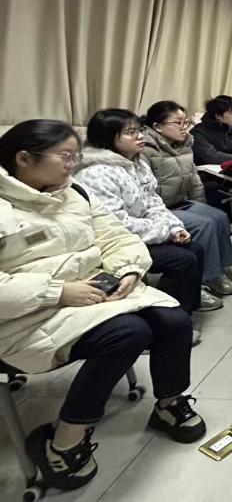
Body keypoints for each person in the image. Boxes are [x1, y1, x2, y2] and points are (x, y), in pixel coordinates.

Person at [0, 120, 206, 492]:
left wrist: (128, 269)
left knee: (174, 319)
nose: (73, 165)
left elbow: (117, 237)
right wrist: (58, 292)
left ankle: (169, 403)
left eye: (75, 155)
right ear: (24, 158)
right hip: (25, 314)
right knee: (128, 333)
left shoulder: (74, 192)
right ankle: (64, 441)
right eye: (65, 156)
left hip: (91, 291)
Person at [74, 110, 219, 323]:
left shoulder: (137, 163)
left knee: (194, 248)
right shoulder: (96, 174)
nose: (141, 136)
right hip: (117, 242)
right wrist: (163, 231)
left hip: (145, 231)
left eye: (140, 130)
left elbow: (153, 201)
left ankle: (184, 306)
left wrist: (174, 227)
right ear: (108, 137)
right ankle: (167, 318)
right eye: (131, 133)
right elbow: (115, 224)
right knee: (182, 260)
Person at [141, 101, 232, 299]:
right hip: (159, 210)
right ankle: (201, 281)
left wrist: (201, 207)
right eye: (178, 123)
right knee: (203, 224)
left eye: (186, 122)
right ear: (157, 127)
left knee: (218, 216)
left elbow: (194, 182)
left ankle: (215, 271)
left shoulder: (185, 145)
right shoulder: (145, 150)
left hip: (179, 202)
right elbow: (145, 192)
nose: (185, 128)